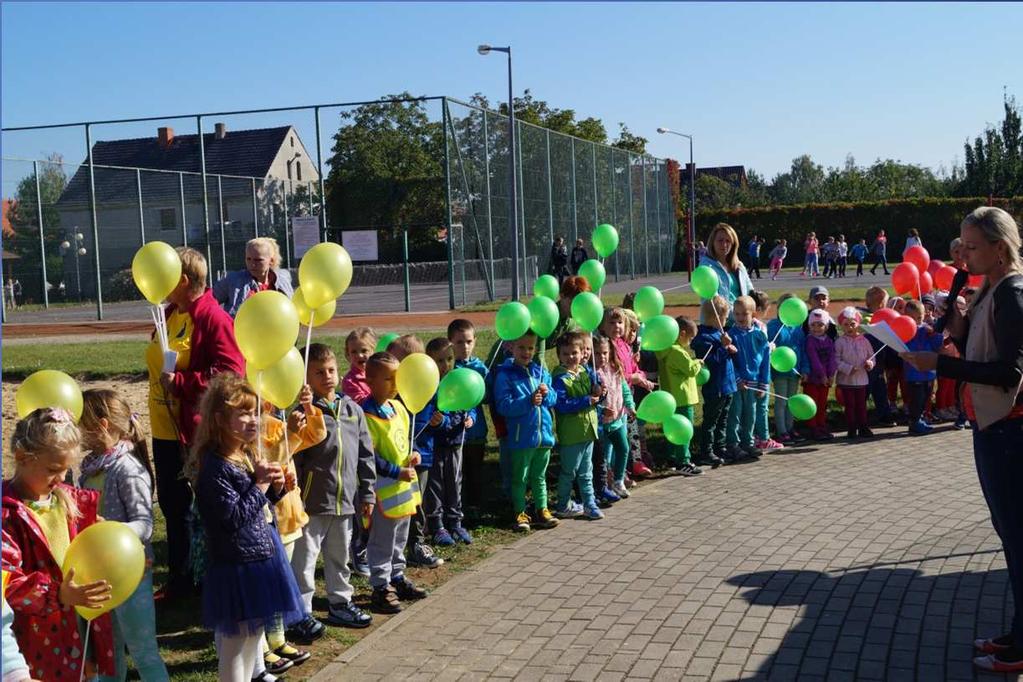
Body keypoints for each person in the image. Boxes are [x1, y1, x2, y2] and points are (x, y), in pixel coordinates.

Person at [901, 206, 1023, 673]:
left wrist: (942, 367)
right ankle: (1017, 630)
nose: (963, 255)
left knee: (1017, 536)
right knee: (1010, 535)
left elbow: (1009, 372)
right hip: (991, 428)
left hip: (1011, 432)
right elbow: (975, 344)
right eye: (961, 245)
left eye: (972, 247)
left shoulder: (1012, 293)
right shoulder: (987, 288)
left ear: (999, 247)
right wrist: (958, 322)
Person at [187, 374, 303, 682]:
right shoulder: (214, 467)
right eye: (244, 413)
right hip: (236, 566)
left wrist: (277, 489)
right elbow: (232, 518)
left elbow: (256, 506)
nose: (254, 420)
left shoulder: (245, 454)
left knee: (254, 639)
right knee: (235, 648)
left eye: (255, 412)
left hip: (259, 558)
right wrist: (262, 485)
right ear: (219, 419)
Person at [152, 246, 245, 599]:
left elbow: (230, 374)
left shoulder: (213, 317)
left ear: (184, 280)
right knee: (173, 505)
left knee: (201, 507)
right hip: (165, 424)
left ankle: (206, 581)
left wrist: (181, 384)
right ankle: (180, 579)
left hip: (195, 427)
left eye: (167, 276)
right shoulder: (170, 313)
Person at [2, 408, 116, 681]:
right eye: (53, 470)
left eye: (66, 470)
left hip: (78, 631)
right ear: (22, 458)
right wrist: (58, 595)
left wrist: (113, 552)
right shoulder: (7, 514)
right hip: (33, 642)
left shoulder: (67, 501)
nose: (62, 478)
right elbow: (8, 582)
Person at [78, 390, 170, 682]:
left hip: (132, 576)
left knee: (143, 652)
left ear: (102, 425)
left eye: (81, 423)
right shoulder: (89, 469)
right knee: (107, 654)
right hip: (99, 576)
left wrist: (111, 530)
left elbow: (145, 524)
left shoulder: (127, 468)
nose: (76, 431)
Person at [289, 343, 376, 634]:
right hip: (312, 503)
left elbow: (365, 454)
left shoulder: (352, 410)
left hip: (345, 501)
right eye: (318, 372)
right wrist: (296, 496)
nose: (327, 376)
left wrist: (367, 493)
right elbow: (295, 458)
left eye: (331, 370)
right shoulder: (304, 415)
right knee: (305, 560)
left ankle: (340, 603)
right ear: (305, 378)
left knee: (340, 557)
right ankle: (301, 613)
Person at [362, 353, 429, 613]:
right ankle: (380, 584)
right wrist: (396, 471)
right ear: (370, 380)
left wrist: (413, 455)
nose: (394, 384)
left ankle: (397, 576)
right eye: (388, 379)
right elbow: (371, 457)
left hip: (403, 488)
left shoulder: (398, 407)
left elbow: (403, 441)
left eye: (397, 378)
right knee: (382, 539)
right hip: (384, 488)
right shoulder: (366, 415)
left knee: (401, 535)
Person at [385, 335, 443, 570]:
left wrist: (440, 421)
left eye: (396, 360)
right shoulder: (391, 392)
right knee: (397, 505)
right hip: (396, 459)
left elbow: (442, 411)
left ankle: (417, 544)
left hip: (422, 456)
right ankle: (392, 548)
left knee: (417, 503)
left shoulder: (427, 387)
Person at [493, 331, 559, 531]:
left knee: (539, 476)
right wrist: (527, 401)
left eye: (530, 348)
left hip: (543, 437)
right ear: (511, 348)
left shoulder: (540, 371)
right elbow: (504, 406)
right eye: (521, 347)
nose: (526, 352)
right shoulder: (505, 375)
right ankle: (520, 512)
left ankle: (542, 509)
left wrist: (547, 395)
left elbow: (553, 398)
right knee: (520, 477)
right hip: (522, 437)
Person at [420, 338, 474, 544]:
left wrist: (472, 418)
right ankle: (437, 526)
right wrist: (441, 422)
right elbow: (432, 416)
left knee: (455, 483)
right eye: (439, 361)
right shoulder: (429, 386)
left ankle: (456, 523)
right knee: (435, 486)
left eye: (449, 359)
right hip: (435, 445)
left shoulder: (459, 380)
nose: (445, 365)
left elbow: (471, 403)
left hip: (456, 443)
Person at [551, 330, 604, 519]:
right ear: (559, 356)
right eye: (565, 354)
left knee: (586, 471)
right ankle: (563, 504)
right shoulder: (559, 378)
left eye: (574, 353)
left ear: (583, 353)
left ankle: (589, 504)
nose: (571, 357)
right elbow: (562, 405)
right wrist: (586, 400)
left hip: (588, 431)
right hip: (571, 434)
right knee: (569, 471)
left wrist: (599, 391)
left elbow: (594, 393)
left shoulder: (584, 371)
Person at [691, 296, 740, 467]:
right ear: (717, 316)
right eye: (725, 316)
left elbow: (726, 355)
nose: (726, 320)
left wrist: (730, 349)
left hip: (727, 385)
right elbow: (710, 361)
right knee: (711, 420)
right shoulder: (703, 337)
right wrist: (724, 347)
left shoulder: (720, 332)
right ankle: (707, 451)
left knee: (723, 419)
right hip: (715, 387)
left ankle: (720, 447)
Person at [448, 319, 488, 511]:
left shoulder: (479, 368)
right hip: (455, 432)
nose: (465, 346)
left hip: (477, 431)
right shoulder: (449, 369)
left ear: (475, 341)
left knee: (476, 472)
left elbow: (488, 396)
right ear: (451, 343)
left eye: (469, 342)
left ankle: (475, 506)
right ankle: (458, 507)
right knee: (458, 471)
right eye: (459, 342)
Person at [655, 316, 704, 476]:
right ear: (682, 334)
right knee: (684, 430)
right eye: (690, 339)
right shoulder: (677, 352)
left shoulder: (666, 349)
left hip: (671, 397)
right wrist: (698, 362)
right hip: (683, 398)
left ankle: (672, 457)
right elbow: (690, 369)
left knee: (672, 429)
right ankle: (683, 460)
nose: (690, 343)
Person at [725, 296, 769, 461]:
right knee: (735, 414)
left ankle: (748, 443)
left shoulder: (759, 336)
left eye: (744, 314)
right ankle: (733, 444)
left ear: (753, 314)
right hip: (738, 385)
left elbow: (765, 361)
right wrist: (736, 379)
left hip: (754, 384)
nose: (740, 318)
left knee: (750, 415)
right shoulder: (731, 335)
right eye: (736, 314)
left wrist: (764, 384)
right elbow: (729, 361)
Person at [592, 334, 636, 498]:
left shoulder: (615, 368)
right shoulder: (593, 373)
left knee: (623, 448)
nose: (602, 357)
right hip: (601, 424)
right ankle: (605, 485)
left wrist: (630, 406)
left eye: (605, 353)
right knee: (604, 458)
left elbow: (624, 390)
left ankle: (618, 480)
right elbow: (593, 398)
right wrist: (602, 409)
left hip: (617, 420)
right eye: (597, 353)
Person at [767, 293, 810, 444]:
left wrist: (805, 369)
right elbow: (770, 347)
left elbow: (803, 349)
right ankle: (782, 431)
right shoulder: (773, 327)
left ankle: (790, 428)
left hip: (795, 371)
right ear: (779, 309)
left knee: (792, 400)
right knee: (782, 401)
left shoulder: (797, 328)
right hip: (780, 371)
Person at [213, 237, 294, 317]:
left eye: (258, 260)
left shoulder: (283, 281)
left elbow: (293, 311)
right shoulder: (233, 281)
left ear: (271, 261)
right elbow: (208, 301)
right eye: (248, 259)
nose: (252, 264)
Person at [698, 223, 754, 324]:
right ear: (712, 242)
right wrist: (740, 316)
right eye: (720, 240)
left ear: (733, 244)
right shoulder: (706, 267)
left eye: (728, 241)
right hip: (718, 326)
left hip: (741, 324)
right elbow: (714, 301)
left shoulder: (739, 266)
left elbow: (750, 291)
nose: (724, 244)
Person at [750, 290, 784, 452]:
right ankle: (763, 438)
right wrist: (770, 347)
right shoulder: (759, 326)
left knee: (751, 408)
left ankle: (754, 436)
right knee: (761, 407)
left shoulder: (744, 326)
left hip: (750, 374)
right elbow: (761, 350)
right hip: (761, 374)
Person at [833, 307, 874, 439]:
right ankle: (851, 428)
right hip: (846, 380)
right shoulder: (839, 342)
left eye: (853, 324)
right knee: (850, 405)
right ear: (842, 326)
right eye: (846, 324)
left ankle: (863, 426)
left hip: (861, 379)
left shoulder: (864, 341)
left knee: (861, 405)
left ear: (858, 324)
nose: (850, 327)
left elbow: (872, 356)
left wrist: (870, 364)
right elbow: (836, 360)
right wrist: (848, 368)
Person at [903, 300, 942, 435]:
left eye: (919, 317)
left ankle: (919, 419)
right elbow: (908, 349)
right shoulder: (906, 331)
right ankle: (914, 422)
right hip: (914, 373)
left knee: (926, 397)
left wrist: (934, 333)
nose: (916, 321)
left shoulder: (927, 328)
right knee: (917, 399)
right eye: (912, 318)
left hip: (928, 372)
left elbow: (937, 345)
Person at [862, 286, 897, 427]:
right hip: (866, 363)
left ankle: (884, 415)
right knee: (865, 390)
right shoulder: (866, 321)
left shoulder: (885, 320)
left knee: (880, 390)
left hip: (879, 364)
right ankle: (860, 416)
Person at [804, 309, 837, 440]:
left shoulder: (829, 341)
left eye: (820, 325)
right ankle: (813, 428)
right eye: (813, 325)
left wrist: (831, 375)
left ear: (826, 326)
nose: (816, 328)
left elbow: (832, 359)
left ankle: (822, 426)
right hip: (813, 379)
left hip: (825, 380)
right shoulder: (810, 341)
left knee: (822, 404)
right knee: (813, 404)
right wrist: (823, 375)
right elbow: (814, 360)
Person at [341, 327, 376, 405]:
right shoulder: (349, 381)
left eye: (364, 351)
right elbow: (361, 405)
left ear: (373, 350)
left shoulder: (380, 372)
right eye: (354, 352)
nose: (359, 355)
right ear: (348, 354)